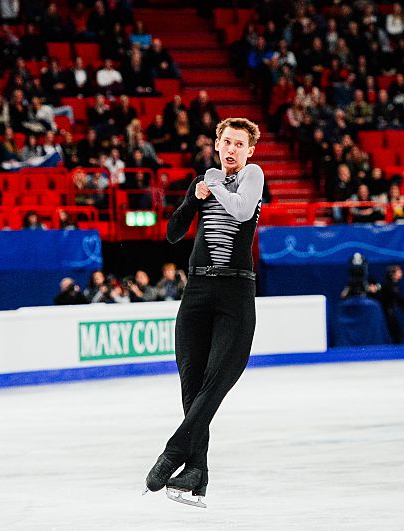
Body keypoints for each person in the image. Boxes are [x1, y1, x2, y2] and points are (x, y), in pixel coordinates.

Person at [144, 117, 265, 507]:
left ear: (249, 151)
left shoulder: (252, 177)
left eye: (239, 144)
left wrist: (213, 185)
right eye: (226, 141)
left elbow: (242, 212)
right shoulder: (204, 182)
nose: (232, 149)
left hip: (235, 293)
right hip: (196, 291)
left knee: (214, 383)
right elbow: (173, 233)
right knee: (192, 387)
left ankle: (173, 454)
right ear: (217, 144)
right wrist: (193, 200)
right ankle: (197, 472)